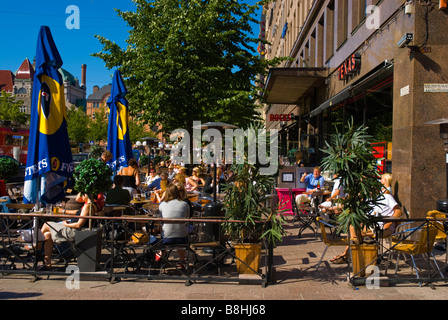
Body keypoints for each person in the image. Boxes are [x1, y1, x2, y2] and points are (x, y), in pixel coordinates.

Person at [330, 192, 402, 264]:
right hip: (373, 226)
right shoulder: (370, 200)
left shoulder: (386, 197)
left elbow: (398, 211)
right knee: (353, 228)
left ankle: (352, 256)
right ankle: (353, 255)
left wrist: (388, 223)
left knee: (353, 229)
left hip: (386, 228)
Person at [40, 193, 105, 268]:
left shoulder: (87, 206)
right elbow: (79, 213)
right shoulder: (91, 206)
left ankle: (37, 245)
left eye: (83, 194)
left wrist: (66, 224)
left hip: (73, 232)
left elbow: (78, 225)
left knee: (46, 224)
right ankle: (47, 263)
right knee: (47, 235)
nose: (81, 196)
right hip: (74, 230)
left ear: (86, 195)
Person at [157, 184, 190, 267]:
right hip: (181, 238)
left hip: (166, 238)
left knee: (162, 233)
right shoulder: (185, 204)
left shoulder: (162, 205)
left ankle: (162, 254)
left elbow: (161, 222)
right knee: (181, 232)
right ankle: (182, 260)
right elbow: (187, 220)